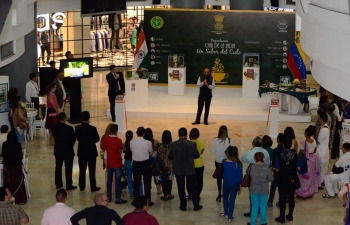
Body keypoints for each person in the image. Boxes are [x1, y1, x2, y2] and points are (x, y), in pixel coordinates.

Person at [168, 127, 202, 211]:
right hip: (189, 168)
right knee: (192, 187)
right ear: (186, 135)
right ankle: (196, 205)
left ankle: (183, 205)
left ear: (178, 135)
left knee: (181, 187)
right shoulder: (192, 144)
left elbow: (170, 156)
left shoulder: (173, 144)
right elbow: (197, 155)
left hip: (178, 168)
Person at [241, 136, 270, 217]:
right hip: (263, 177)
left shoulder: (250, 152)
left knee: (253, 195)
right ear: (261, 144)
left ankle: (252, 212)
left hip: (252, 177)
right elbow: (268, 164)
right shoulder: (266, 152)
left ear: (252, 143)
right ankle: (260, 211)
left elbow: (243, 159)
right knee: (262, 196)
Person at [274, 138, 301, 223]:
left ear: (283, 146)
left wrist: (274, 168)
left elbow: (277, 169)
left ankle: (281, 217)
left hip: (282, 179)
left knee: (282, 198)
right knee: (291, 197)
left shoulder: (279, 155)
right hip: (292, 179)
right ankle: (290, 215)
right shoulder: (296, 155)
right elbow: (298, 168)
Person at [101, 124, 127, 204]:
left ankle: (109, 197)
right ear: (116, 131)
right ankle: (118, 198)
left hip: (109, 163)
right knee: (118, 181)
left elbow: (102, 147)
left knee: (109, 180)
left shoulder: (105, 139)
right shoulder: (118, 140)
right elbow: (120, 151)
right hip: (117, 163)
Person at [75, 111, 101, 192]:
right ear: (89, 118)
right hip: (91, 151)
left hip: (82, 150)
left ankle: (82, 186)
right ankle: (93, 186)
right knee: (92, 170)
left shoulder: (77, 128)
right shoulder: (93, 129)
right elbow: (97, 139)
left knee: (82, 169)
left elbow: (77, 138)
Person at [52, 112, 77, 190]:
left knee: (58, 167)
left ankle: (58, 184)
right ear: (65, 119)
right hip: (68, 150)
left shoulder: (54, 127)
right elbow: (73, 139)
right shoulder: (69, 128)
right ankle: (69, 184)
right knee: (68, 168)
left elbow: (54, 136)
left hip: (58, 149)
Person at [130, 127, 154, 206]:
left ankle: (136, 200)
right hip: (145, 164)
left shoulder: (132, 142)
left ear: (136, 133)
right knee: (147, 184)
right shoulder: (148, 142)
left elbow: (131, 150)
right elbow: (150, 152)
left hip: (136, 164)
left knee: (136, 183)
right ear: (144, 133)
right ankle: (147, 201)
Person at [2, 131, 27, 204]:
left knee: (9, 182)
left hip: (8, 167)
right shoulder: (18, 145)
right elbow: (20, 156)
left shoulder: (5, 144)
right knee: (18, 182)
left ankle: (8, 198)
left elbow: (3, 154)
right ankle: (20, 199)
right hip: (17, 167)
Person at [249, 152, 274, 225]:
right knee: (263, 206)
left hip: (253, 189)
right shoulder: (266, 168)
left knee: (254, 206)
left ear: (255, 158)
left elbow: (248, 175)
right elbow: (271, 179)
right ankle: (263, 222)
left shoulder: (251, 167)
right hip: (264, 190)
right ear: (263, 158)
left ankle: (253, 223)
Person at [295, 127, 320, 198]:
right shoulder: (314, 141)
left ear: (306, 133)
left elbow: (301, 153)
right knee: (311, 176)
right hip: (312, 162)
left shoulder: (303, 143)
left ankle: (302, 192)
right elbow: (315, 151)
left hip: (306, 162)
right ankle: (310, 191)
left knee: (303, 177)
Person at [221, 146, 243, 223]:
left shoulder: (224, 162)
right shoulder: (238, 164)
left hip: (226, 183)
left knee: (225, 198)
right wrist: (240, 186)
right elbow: (240, 176)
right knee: (232, 200)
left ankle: (225, 213)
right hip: (235, 184)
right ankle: (230, 217)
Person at [212, 125, 233, 202]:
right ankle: (225, 194)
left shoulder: (214, 140)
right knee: (226, 178)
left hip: (218, 162)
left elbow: (213, 151)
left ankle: (219, 194)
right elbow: (233, 151)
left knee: (219, 178)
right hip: (227, 162)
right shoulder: (229, 140)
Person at [122, 130, 143, 199]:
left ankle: (131, 194)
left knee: (129, 179)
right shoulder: (134, 143)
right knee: (138, 178)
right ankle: (140, 193)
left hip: (127, 162)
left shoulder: (124, 144)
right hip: (135, 162)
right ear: (132, 136)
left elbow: (124, 151)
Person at [267, 134, 285, 208]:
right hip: (284, 171)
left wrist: (273, 169)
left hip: (277, 171)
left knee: (273, 187)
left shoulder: (276, 150)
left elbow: (274, 161)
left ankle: (270, 202)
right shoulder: (285, 149)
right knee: (282, 187)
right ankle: (281, 201)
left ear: (278, 140)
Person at [157, 130, 174, 201]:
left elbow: (159, 157)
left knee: (164, 180)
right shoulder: (172, 145)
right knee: (170, 180)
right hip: (171, 166)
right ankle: (169, 194)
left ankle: (165, 195)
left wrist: (160, 166)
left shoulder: (160, 146)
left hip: (163, 166)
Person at [144, 128, 162, 195]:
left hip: (146, 161)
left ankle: (148, 189)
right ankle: (159, 189)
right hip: (155, 162)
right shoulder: (156, 142)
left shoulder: (144, 143)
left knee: (147, 177)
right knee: (157, 176)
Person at [188, 128, 205, 200]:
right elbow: (201, 152)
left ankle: (190, 194)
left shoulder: (188, 143)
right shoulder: (201, 143)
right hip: (199, 164)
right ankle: (197, 195)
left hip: (190, 165)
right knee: (199, 181)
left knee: (190, 181)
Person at [316, 110, 330, 188]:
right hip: (324, 151)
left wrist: (317, 133)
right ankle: (322, 181)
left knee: (322, 168)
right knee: (323, 168)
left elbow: (319, 140)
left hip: (322, 152)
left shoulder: (324, 129)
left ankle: (321, 183)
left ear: (321, 119)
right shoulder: (326, 127)